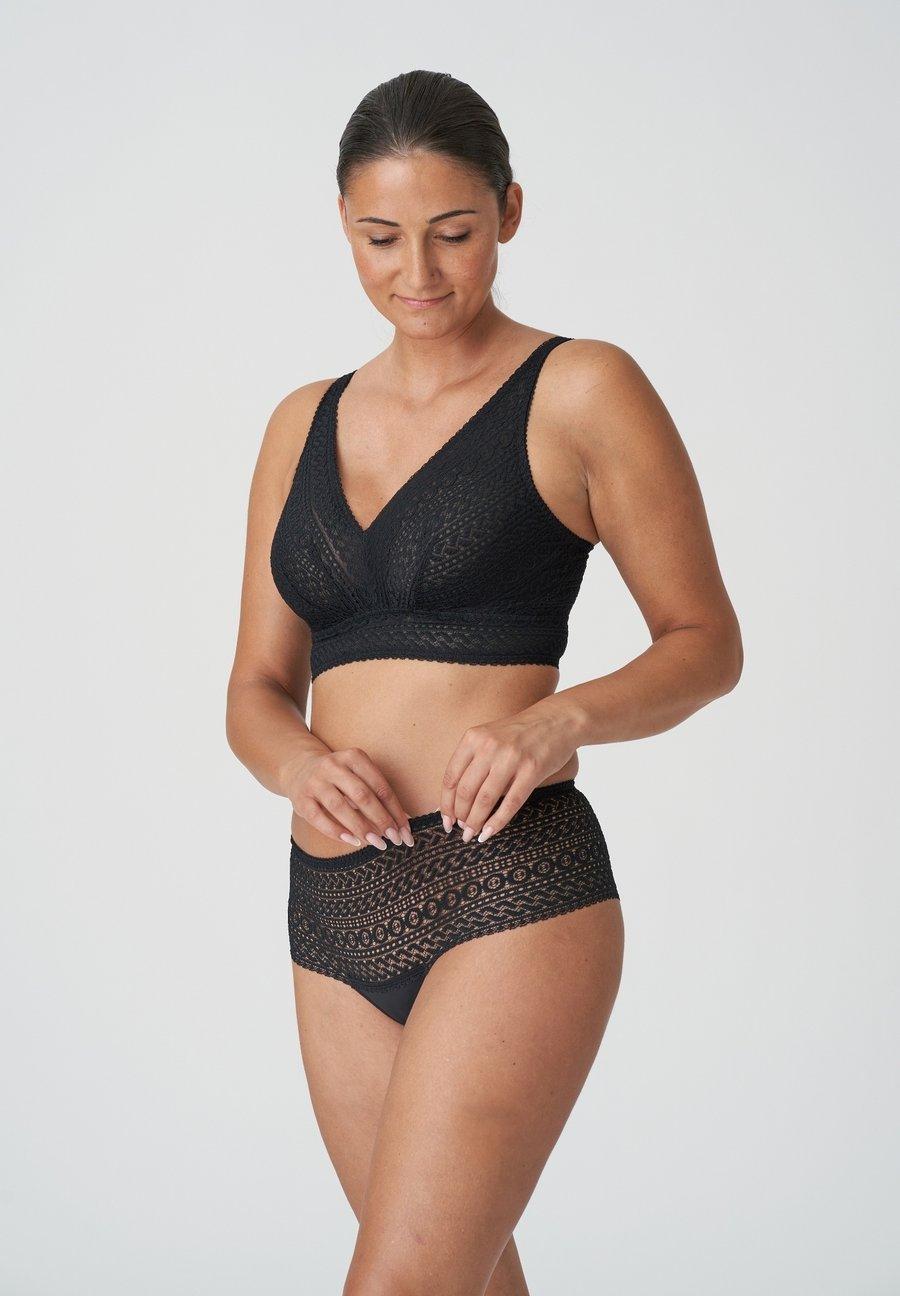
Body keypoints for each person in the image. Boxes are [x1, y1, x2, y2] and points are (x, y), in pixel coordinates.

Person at [225, 68, 742, 1296]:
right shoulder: (300, 423)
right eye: (380, 237)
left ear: (509, 211)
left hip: (508, 887)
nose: (417, 271)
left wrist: (559, 722)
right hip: (334, 906)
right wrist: (297, 765)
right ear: (341, 223)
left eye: (453, 233)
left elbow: (704, 641)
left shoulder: (581, 388)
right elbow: (253, 688)